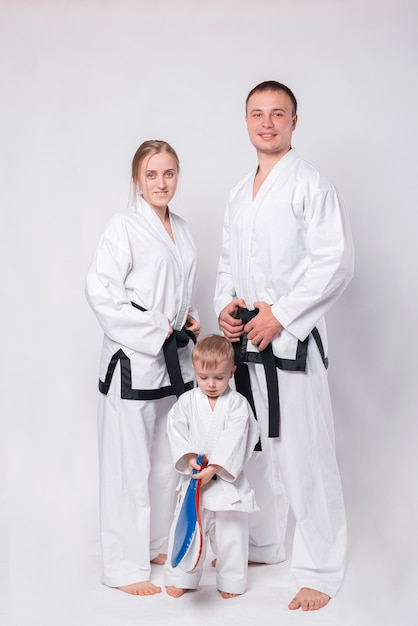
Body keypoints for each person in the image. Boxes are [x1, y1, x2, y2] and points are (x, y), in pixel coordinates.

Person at [214, 81, 354, 611]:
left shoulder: (309, 184)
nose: (266, 123)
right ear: (246, 120)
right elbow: (229, 261)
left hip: (290, 340)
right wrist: (228, 306)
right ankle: (265, 543)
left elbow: (335, 262)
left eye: (278, 114)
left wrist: (282, 315)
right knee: (255, 449)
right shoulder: (238, 190)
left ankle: (320, 567)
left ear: (295, 121)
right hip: (249, 339)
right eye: (257, 114)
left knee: (305, 454)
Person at [85, 140, 200, 596]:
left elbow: (177, 287)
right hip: (133, 359)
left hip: (172, 362)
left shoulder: (184, 229)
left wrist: (185, 318)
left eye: (169, 173)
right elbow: (101, 294)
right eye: (151, 175)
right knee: (126, 465)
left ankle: (153, 543)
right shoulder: (122, 226)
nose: (161, 183)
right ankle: (123, 567)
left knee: (163, 461)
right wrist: (156, 331)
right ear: (137, 179)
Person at [163, 334, 259, 599]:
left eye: (219, 377)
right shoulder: (187, 402)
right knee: (187, 528)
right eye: (204, 378)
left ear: (232, 371)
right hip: (195, 479)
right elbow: (176, 430)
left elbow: (236, 438)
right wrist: (190, 457)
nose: (211, 384)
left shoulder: (238, 405)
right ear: (195, 371)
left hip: (226, 482)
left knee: (232, 533)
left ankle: (231, 580)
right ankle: (182, 577)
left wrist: (215, 467)